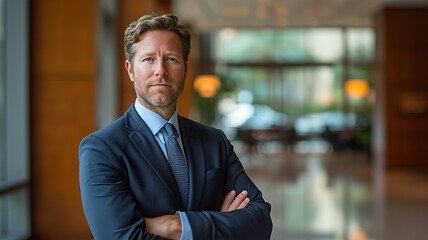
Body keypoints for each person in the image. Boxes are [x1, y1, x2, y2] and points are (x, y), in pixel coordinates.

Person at [79, 13, 272, 240]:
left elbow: (260, 222)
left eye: (171, 59)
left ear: (185, 69)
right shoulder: (102, 149)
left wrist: (175, 226)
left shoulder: (214, 141)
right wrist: (220, 226)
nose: (160, 70)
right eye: (148, 59)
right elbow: (120, 237)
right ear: (130, 69)